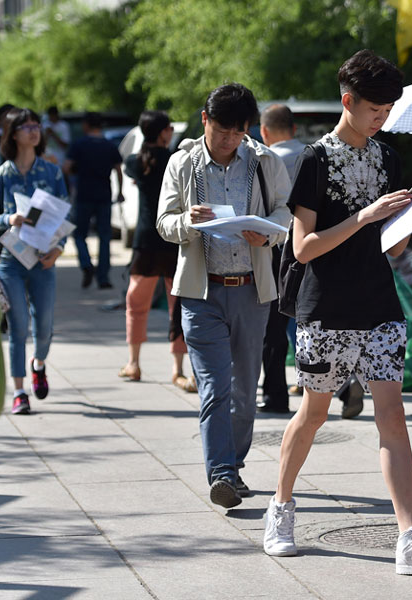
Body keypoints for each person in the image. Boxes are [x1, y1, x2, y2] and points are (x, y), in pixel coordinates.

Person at [262, 49, 412, 576]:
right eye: (376, 109)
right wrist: (365, 216)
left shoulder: (387, 157)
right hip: (325, 306)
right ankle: (280, 508)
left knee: (392, 417)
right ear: (348, 101)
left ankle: (409, 538)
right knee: (314, 412)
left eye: (390, 109)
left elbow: (392, 249)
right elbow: (303, 247)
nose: (384, 118)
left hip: (379, 304)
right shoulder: (314, 159)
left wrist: (410, 216)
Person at [157, 83, 292, 509]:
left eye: (237, 132)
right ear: (204, 121)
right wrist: (187, 222)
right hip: (201, 292)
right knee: (214, 385)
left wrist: (266, 235)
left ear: (249, 129)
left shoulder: (264, 162)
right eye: (221, 131)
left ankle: (233, 464)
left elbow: (287, 213)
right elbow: (164, 220)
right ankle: (222, 473)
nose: (228, 140)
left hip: (252, 292)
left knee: (245, 390)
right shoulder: (183, 163)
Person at [0, 108, 69, 415]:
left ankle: (39, 363)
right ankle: (19, 391)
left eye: (36, 126)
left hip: (44, 259)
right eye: (26, 127)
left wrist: (58, 249)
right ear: (12, 134)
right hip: (11, 260)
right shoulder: (1, 176)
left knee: (44, 326)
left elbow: (65, 214)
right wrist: (10, 218)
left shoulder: (51, 172)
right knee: (18, 326)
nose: (34, 131)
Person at [121, 110, 195, 393]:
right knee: (178, 305)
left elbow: (130, 166)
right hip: (174, 238)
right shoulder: (176, 160)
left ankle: (134, 363)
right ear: (164, 132)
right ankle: (178, 369)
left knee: (135, 303)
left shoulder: (134, 162)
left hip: (145, 240)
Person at [255, 103, 306, 414]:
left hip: (280, 251)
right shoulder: (315, 154)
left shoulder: (267, 161)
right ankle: (342, 386)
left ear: (264, 131)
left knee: (274, 327)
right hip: (317, 246)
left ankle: (276, 395)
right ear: (295, 129)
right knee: (316, 320)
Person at [64, 111, 123, 289]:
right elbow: (118, 170)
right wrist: (120, 192)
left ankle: (86, 264)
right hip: (104, 195)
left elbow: (66, 168)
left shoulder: (79, 144)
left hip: (83, 195)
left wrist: (74, 174)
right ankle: (103, 278)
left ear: (86, 125)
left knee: (79, 234)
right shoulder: (108, 145)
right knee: (104, 237)